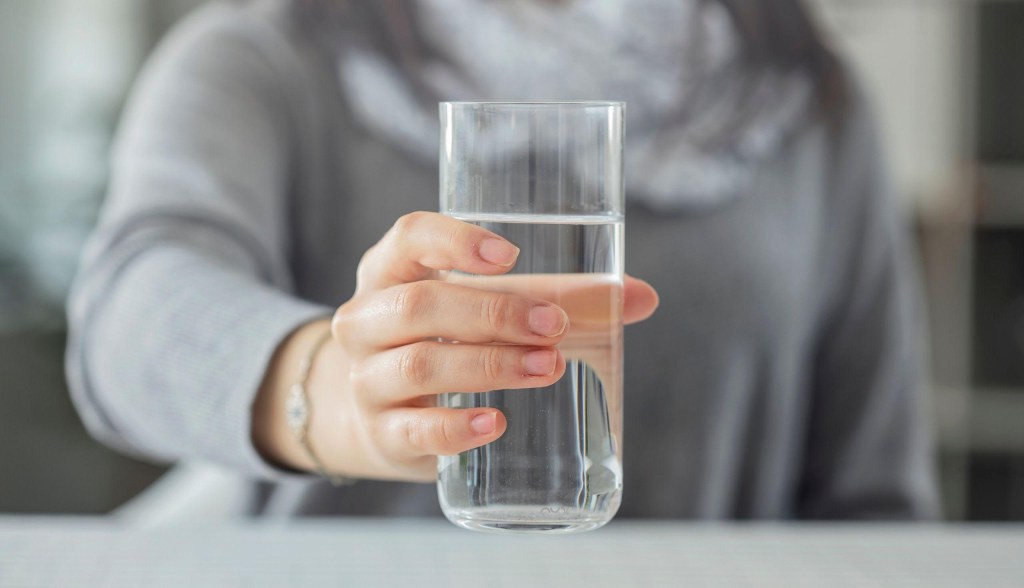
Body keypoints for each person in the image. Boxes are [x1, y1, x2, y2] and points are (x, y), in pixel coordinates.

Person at [67, 0, 938, 519]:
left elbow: (872, 498)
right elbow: (132, 314)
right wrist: (333, 389)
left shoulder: (803, 106)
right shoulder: (267, 59)